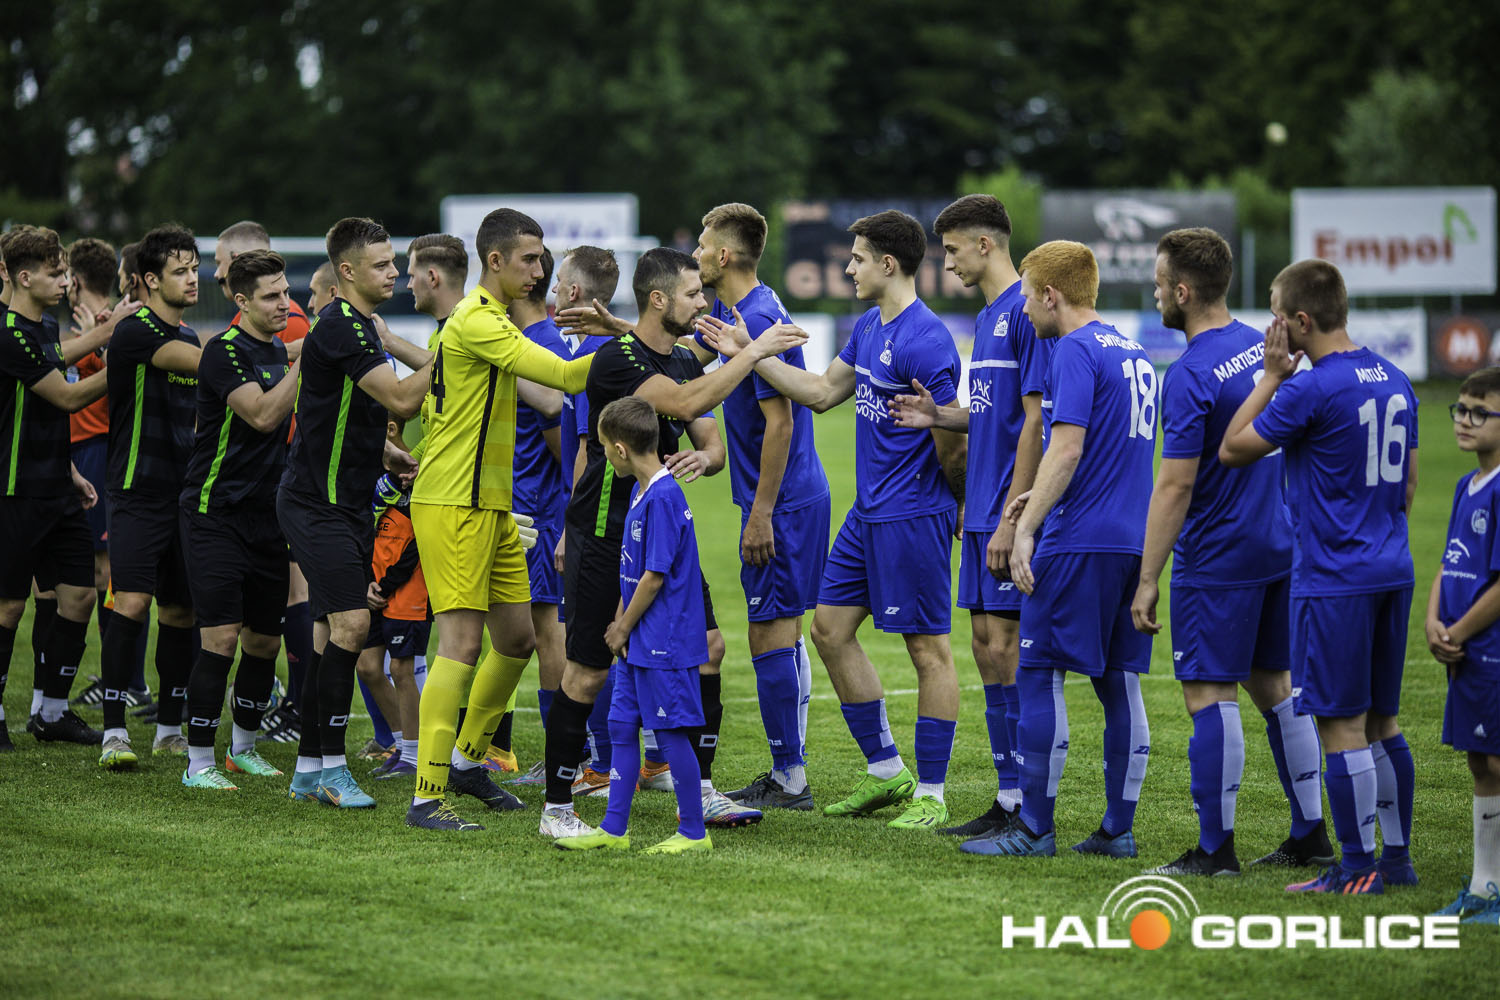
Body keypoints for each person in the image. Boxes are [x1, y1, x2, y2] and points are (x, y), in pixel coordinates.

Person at [700, 210, 966, 830]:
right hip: (866, 513)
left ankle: (931, 793)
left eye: (857, 258)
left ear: (888, 265)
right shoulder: (870, 326)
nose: (848, 268)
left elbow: (953, 441)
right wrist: (748, 354)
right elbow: (820, 393)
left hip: (913, 514)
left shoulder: (927, 339)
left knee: (928, 650)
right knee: (828, 630)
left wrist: (959, 504)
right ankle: (886, 770)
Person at [539, 247, 804, 839]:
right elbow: (684, 403)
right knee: (588, 671)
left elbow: (710, 440)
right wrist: (753, 351)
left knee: (708, 649)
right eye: (692, 294)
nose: (702, 301)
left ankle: (699, 788)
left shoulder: (683, 359)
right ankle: (556, 808)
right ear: (658, 300)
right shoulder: (616, 358)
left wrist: (703, 457)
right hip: (605, 533)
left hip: (662, 532)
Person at [1128, 229, 1332, 876]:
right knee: (1276, 686)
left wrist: (1148, 578)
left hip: (1217, 555)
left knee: (1209, 693)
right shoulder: (1260, 346)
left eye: (1161, 284)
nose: (1156, 293)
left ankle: (1215, 850)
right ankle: (1310, 832)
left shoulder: (1189, 373)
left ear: (1184, 292)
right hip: (1278, 544)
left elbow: (1175, 486)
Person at [1221, 258, 1419, 895]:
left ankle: (1355, 867)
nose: (1271, 329)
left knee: (1341, 725)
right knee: (1384, 722)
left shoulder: (1310, 388)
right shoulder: (1394, 377)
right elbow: (1408, 487)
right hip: (1392, 567)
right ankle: (1396, 861)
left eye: (1277, 316)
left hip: (1335, 577)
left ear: (1301, 322)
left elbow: (1233, 447)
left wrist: (1271, 376)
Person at [403, 208, 601, 832]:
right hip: (454, 503)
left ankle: (467, 762)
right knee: (461, 644)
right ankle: (427, 796)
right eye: (530, 259)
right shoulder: (480, 319)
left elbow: (548, 397)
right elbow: (565, 376)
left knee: (516, 640)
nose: (539, 271)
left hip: (492, 505)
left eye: (541, 260)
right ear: (495, 261)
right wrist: (637, 344)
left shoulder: (487, 322)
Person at [961, 240, 1155, 859]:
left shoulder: (1072, 348)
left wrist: (1025, 527)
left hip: (1079, 540)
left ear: (1051, 295)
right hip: (1132, 540)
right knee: (1120, 684)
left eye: (1026, 294)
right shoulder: (1133, 350)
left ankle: (1034, 829)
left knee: (1039, 674)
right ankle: (1117, 830)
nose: (1022, 306)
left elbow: (1066, 448)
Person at [888, 194, 1050, 838]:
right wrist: (939, 416)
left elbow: (1035, 421)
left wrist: (1015, 518)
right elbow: (992, 414)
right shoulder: (986, 317)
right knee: (987, 650)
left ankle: (1029, 805)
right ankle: (1008, 798)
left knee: (1008, 651)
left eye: (952, 249)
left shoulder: (1026, 311)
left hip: (1007, 508)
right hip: (979, 509)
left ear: (985, 244)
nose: (946, 262)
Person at [278, 216, 430, 809]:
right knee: (352, 627)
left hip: (342, 502)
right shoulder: (342, 325)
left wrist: (388, 454)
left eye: (394, 263)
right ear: (347, 271)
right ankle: (335, 773)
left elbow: (343, 411)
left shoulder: (360, 325)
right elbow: (401, 399)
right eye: (382, 264)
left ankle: (309, 769)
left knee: (327, 637)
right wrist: (456, 354)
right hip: (317, 504)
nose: (394, 273)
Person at [689, 203, 828, 811]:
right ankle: (789, 770)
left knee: (770, 631)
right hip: (786, 496)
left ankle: (789, 777)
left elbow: (782, 422)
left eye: (702, 245)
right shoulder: (732, 309)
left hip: (783, 501)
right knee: (782, 630)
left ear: (723, 255)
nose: (695, 253)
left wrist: (761, 512)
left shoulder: (760, 317)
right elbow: (684, 356)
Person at [556, 396, 716, 854]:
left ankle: (694, 833)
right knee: (622, 725)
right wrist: (620, 620)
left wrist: (622, 627)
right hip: (636, 639)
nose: (604, 455)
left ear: (621, 450)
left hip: (662, 640)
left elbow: (654, 576)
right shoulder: (642, 491)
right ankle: (613, 829)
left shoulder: (663, 498)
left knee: (669, 733)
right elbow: (633, 567)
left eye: (605, 447)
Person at [176, 249, 300, 786]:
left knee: (264, 643)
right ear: (242, 300)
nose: (284, 303)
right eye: (272, 296)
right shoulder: (222, 352)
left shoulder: (276, 350)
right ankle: (198, 761)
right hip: (214, 513)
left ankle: (242, 748)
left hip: (267, 517)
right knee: (221, 639)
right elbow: (264, 414)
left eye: (286, 292)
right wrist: (306, 363)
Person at [511, 245, 621, 789]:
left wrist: (567, 523)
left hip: (551, 513)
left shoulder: (563, 350)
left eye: (559, 285)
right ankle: (598, 756)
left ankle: (578, 756)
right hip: (558, 513)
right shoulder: (578, 348)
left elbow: (571, 448)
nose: (552, 288)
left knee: (558, 634)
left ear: (573, 292)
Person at [97, 224, 205, 764]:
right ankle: (114, 731)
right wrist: (286, 351)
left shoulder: (190, 338)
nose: (193, 279)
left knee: (180, 613)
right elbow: (211, 366)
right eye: (180, 271)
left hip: (182, 495)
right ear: (150, 280)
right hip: (136, 491)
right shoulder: (134, 332)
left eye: (195, 268)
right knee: (133, 602)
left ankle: (168, 728)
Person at [0, 226, 109, 748]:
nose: (65, 282)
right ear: (24, 277)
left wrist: (70, 471)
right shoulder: (8, 332)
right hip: (14, 491)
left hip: (56, 488)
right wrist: (125, 354)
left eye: (65, 272)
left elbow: (46, 399)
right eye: (55, 273)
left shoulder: (43, 327)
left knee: (80, 595)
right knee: (8, 608)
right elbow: (66, 398)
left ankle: (51, 712)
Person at [213, 220, 313, 743]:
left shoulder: (283, 323)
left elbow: (283, 401)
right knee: (232, 630)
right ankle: (212, 741)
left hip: (282, 480)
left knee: (288, 601)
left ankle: (291, 710)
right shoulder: (241, 337)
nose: (214, 274)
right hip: (241, 492)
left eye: (219, 263)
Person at [496, 247, 572, 775]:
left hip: (540, 515)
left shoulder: (540, 344)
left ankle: (562, 756)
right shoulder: (525, 339)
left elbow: (563, 444)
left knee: (547, 630)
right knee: (519, 633)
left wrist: (564, 520)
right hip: (521, 511)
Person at [1428, 367, 1500, 923]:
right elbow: (1450, 562)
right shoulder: (1464, 485)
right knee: (1481, 763)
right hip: (1465, 650)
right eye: (1461, 409)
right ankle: (1483, 885)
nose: (1464, 420)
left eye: (1480, 413)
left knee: (1495, 760)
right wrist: (1433, 619)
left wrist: (1458, 631)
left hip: (1488, 647)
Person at [360, 469, 430, 782]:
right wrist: (367, 581)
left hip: (408, 588)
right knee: (367, 667)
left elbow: (422, 542)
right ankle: (402, 747)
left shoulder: (424, 477)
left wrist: (385, 585)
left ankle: (413, 756)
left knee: (401, 669)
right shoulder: (373, 477)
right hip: (375, 585)